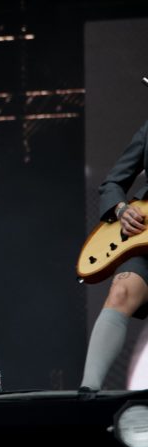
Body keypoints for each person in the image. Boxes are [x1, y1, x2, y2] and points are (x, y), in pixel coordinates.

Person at [80, 119, 148, 391]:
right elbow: (112, 182)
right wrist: (121, 209)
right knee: (120, 292)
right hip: (143, 238)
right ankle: (87, 392)